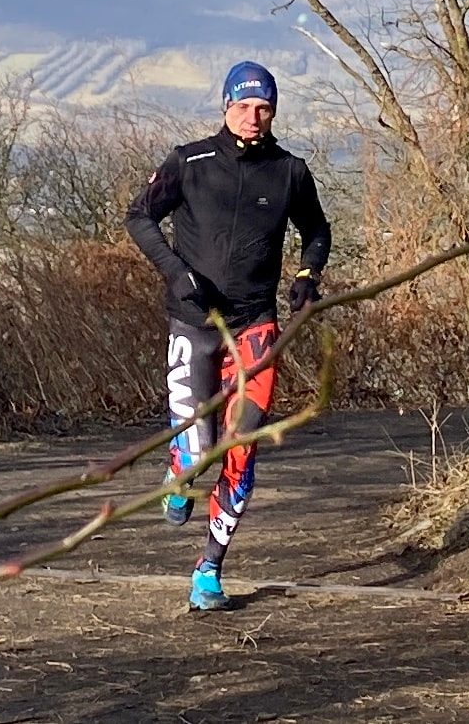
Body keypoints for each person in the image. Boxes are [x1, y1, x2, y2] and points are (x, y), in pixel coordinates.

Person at [125, 60, 332, 610]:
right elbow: (139, 217)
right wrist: (176, 272)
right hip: (193, 323)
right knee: (198, 449)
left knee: (241, 448)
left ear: (274, 112)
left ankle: (209, 571)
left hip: (255, 327)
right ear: (225, 107)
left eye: (263, 108)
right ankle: (180, 470)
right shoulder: (189, 161)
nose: (253, 117)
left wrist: (308, 275)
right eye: (243, 107)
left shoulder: (290, 172)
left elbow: (317, 228)